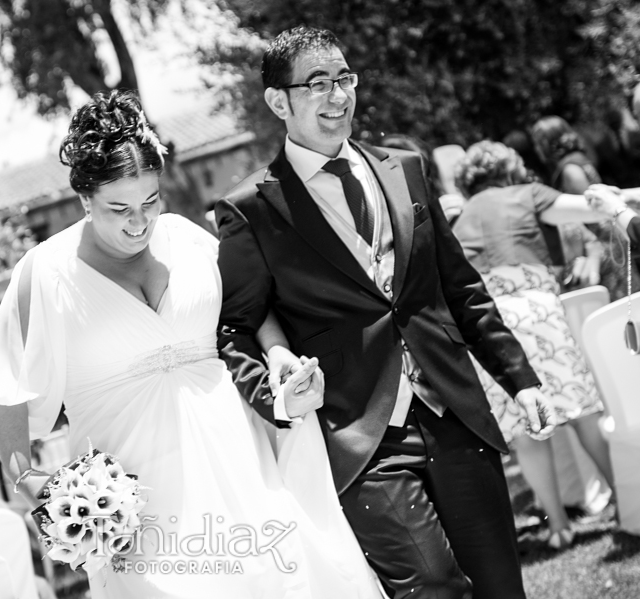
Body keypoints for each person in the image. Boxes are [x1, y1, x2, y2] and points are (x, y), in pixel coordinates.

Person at [0, 90, 385, 599]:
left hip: (242, 458)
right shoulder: (44, 273)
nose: (139, 222)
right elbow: (4, 393)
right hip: (134, 501)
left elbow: (246, 314)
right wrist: (35, 484)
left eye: (149, 201)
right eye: (117, 208)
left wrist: (276, 353)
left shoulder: (187, 238)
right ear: (84, 201)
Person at [215, 25, 554, 599]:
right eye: (316, 83)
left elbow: (461, 287)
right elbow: (236, 328)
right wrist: (276, 395)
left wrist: (519, 379)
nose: (337, 95)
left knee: (501, 588)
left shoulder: (406, 168)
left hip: (455, 411)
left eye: (343, 78)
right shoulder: (251, 209)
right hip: (360, 433)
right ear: (279, 101)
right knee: (432, 585)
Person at [451, 141, 616, 549]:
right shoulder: (529, 193)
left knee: (528, 429)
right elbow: (588, 208)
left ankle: (558, 526)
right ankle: (628, 499)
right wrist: (623, 200)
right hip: (534, 310)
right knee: (581, 411)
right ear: (511, 169)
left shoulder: (459, 217)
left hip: (486, 324)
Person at [531, 115, 629, 299]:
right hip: (611, 240)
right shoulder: (578, 159)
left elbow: (594, 209)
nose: (536, 149)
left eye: (538, 143)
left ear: (547, 142)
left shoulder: (569, 170)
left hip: (606, 244)